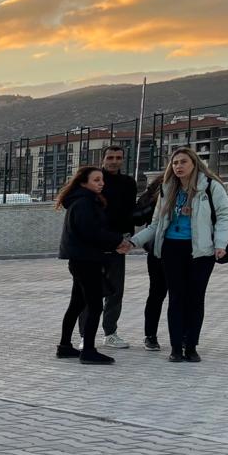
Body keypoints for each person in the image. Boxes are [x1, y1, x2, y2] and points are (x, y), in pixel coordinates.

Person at [130, 148, 228, 363]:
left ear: (194, 163)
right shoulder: (168, 189)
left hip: (201, 252)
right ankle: (176, 347)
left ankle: (191, 346)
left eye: (183, 162)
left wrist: (220, 244)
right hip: (172, 249)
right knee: (176, 298)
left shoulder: (211, 187)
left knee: (195, 299)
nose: (178, 166)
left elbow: (224, 216)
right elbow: (156, 224)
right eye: (174, 163)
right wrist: (133, 242)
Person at [54, 167, 131, 365]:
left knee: (77, 304)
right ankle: (88, 350)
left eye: (101, 179)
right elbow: (91, 232)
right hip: (86, 261)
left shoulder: (85, 201)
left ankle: (64, 346)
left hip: (82, 260)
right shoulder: (84, 203)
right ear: (83, 182)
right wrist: (117, 241)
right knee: (95, 305)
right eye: (96, 180)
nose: (101, 183)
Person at [96, 145, 137, 348]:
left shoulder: (129, 183)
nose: (114, 161)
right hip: (94, 245)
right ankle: (86, 335)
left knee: (115, 291)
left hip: (118, 245)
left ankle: (110, 333)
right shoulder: (95, 181)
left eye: (118, 157)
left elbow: (129, 213)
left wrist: (128, 240)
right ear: (103, 159)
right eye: (110, 157)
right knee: (89, 291)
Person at [135, 175, 167, 351]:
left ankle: (184, 335)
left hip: (186, 250)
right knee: (156, 293)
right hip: (158, 250)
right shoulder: (157, 188)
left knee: (183, 295)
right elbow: (139, 217)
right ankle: (150, 335)